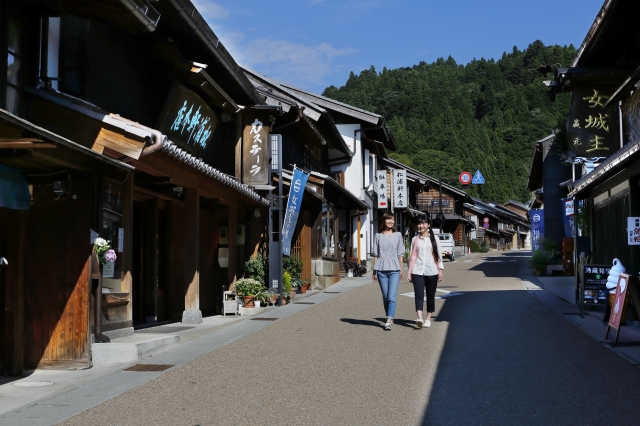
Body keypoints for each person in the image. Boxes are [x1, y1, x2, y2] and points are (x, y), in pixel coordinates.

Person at [407, 214, 444, 328]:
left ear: (428, 224)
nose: (421, 225)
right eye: (419, 223)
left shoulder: (434, 239)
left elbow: (438, 256)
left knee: (430, 295)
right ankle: (419, 318)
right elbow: (412, 257)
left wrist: (440, 270)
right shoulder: (415, 239)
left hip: (432, 270)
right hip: (417, 270)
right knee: (418, 294)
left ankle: (428, 318)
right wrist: (409, 272)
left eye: (423, 223)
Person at [371, 212, 405, 330]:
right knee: (385, 296)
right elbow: (375, 254)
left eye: (392, 219)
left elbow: (401, 254)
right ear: (384, 220)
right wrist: (374, 271)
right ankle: (389, 316)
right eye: (388, 219)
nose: (391, 221)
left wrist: (401, 269)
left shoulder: (398, 235)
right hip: (381, 269)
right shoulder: (378, 236)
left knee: (391, 297)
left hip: (395, 269)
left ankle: (389, 319)